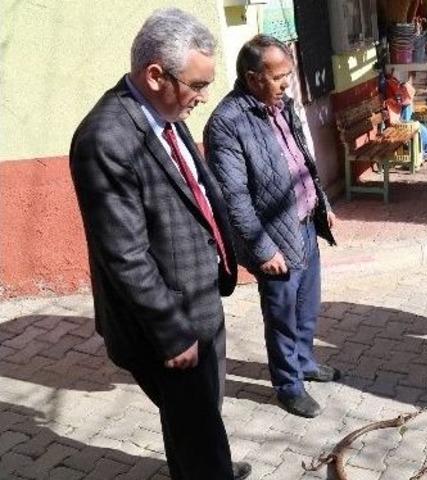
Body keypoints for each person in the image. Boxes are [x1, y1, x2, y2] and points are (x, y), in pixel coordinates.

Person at [69, 9, 250, 479]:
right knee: (195, 421)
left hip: (199, 298)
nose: (203, 98)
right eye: (197, 85)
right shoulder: (105, 137)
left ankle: (210, 465)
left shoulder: (165, 109)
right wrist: (171, 331)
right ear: (155, 75)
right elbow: (123, 253)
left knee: (198, 417)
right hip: (166, 321)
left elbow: (194, 191)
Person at [205, 35, 337, 419]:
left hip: (306, 225)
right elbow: (234, 198)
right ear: (252, 77)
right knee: (282, 315)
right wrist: (263, 250)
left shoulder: (283, 106)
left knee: (308, 306)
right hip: (274, 239)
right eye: (278, 77)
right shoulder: (227, 124)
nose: (286, 84)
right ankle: (288, 385)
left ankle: (305, 361)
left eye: (288, 75)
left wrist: (322, 204)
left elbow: (302, 162)